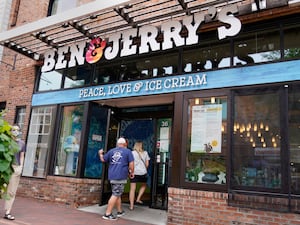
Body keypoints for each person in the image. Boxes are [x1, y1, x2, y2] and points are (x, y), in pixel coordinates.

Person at [98, 137, 134, 220]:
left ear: (118, 144)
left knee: (117, 193)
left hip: (112, 176)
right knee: (116, 194)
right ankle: (107, 213)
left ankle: (119, 211)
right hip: (121, 176)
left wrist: (100, 154)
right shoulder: (128, 151)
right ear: (125, 144)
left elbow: (103, 159)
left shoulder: (111, 151)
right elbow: (131, 164)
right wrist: (131, 173)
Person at [4, 125, 26, 220]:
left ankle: (7, 212)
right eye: (13, 130)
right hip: (5, 167)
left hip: (15, 167)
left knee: (11, 191)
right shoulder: (6, 141)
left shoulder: (22, 143)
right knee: (2, 189)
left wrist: (21, 167)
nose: (15, 131)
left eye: (17, 130)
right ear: (10, 131)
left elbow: (22, 156)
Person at [129, 141, 150, 210]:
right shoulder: (145, 153)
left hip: (134, 172)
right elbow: (147, 164)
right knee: (144, 185)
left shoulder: (132, 153)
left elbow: (130, 163)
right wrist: (143, 169)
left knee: (132, 189)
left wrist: (130, 171)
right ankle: (138, 199)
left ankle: (131, 206)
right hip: (143, 172)